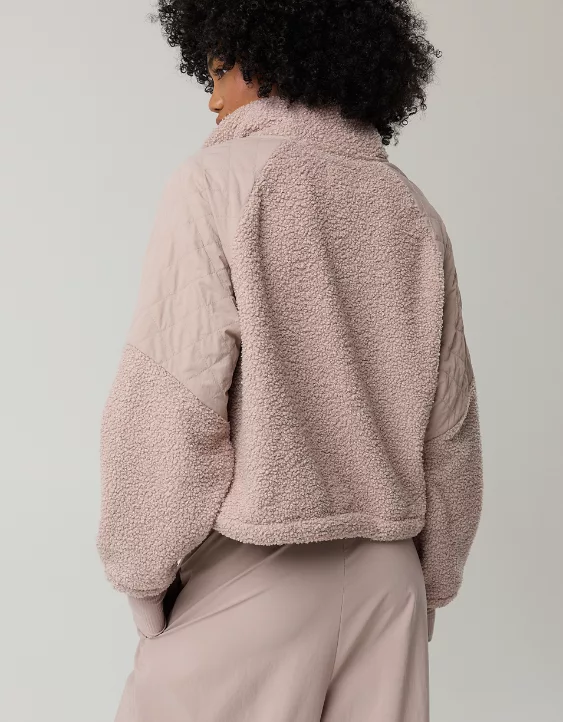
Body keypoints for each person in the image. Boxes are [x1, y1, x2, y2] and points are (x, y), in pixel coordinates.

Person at [96, 1, 483, 720]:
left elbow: (170, 402)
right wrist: (430, 583)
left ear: (266, 57)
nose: (212, 98)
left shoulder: (217, 183)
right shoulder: (414, 212)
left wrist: (142, 575)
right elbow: (451, 430)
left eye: (218, 71)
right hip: (391, 582)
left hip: (257, 577)